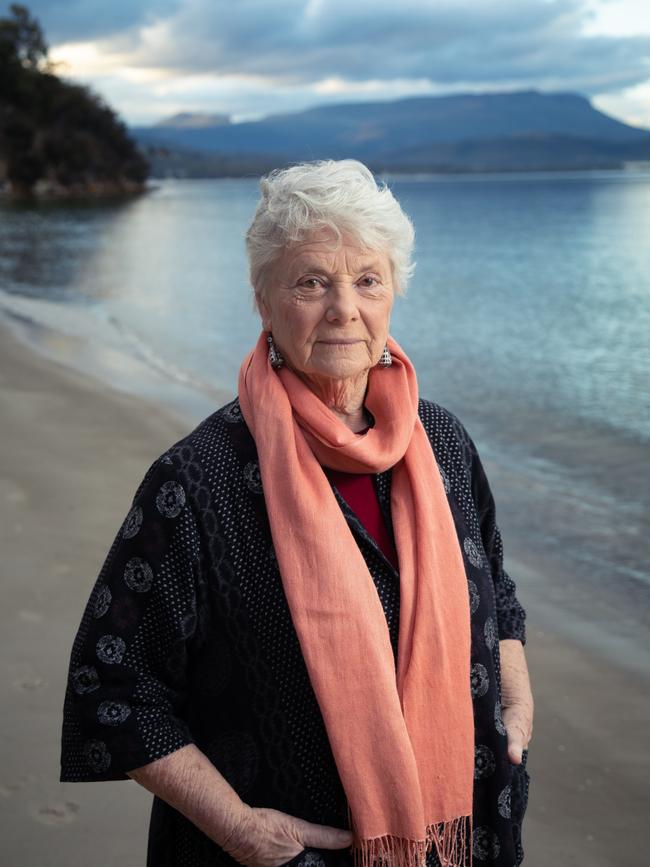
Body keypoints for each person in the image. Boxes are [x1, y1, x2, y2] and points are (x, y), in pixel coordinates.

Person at [61, 159, 534, 867]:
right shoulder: (196, 481)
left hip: (461, 834)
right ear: (264, 300)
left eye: (367, 279)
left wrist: (517, 706)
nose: (345, 307)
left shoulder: (442, 442)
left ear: (392, 292)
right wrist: (241, 830)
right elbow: (112, 685)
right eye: (312, 281)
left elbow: (494, 588)